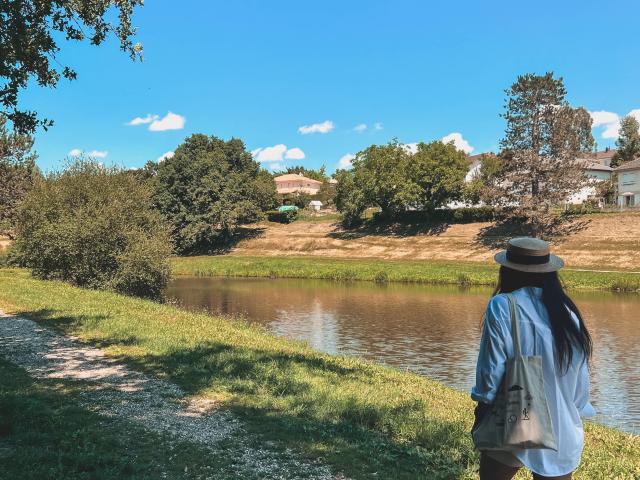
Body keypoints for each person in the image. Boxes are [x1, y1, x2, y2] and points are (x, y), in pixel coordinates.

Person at [471, 237, 595, 480]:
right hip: (562, 427)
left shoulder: (502, 305)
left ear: (507, 271)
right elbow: (580, 387)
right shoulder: (567, 314)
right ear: (549, 273)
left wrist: (482, 404)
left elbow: (490, 372)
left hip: (514, 418)